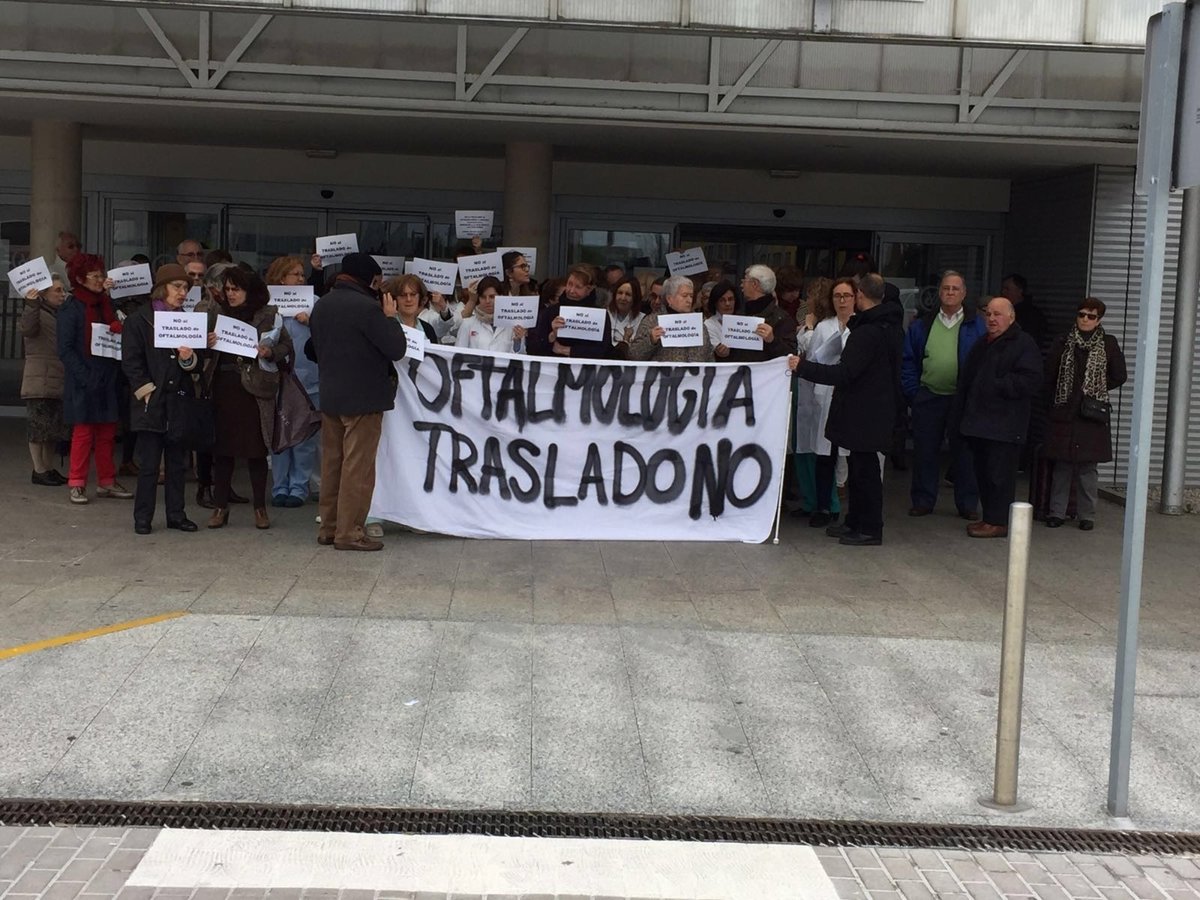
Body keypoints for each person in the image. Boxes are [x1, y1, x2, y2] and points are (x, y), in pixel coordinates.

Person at [790, 274, 903, 546]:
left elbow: (845, 373)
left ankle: (870, 527)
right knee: (858, 466)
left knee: (865, 472)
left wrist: (804, 367)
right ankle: (855, 520)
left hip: (864, 409)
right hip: (871, 406)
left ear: (860, 295)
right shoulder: (887, 325)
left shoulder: (868, 332)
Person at [307, 253, 408, 551]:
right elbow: (396, 348)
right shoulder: (368, 308)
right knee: (358, 468)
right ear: (370, 278)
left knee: (333, 464)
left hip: (331, 395)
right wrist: (390, 318)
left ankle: (329, 527)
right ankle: (350, 532)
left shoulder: (323, 304)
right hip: (364, 398)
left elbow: (313, 349)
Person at [197, 266, 293, 530]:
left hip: (255, 387)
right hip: (224, 385)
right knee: (223, 449)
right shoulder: (217, 313)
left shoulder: (268, 314)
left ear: (249, 291)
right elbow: (201, 348)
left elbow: (286, 345)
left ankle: (260, 508)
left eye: (236, 289)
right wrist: (207, 342)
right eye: (227, 289)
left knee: (255, 449)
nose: (230, 294)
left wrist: (269, 352)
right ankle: (220, 507)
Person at [120, 264, 203, 535]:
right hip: (151, 402)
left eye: (186, 288)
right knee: (149, 465)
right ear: (161, 288)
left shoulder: (187, 321)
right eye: (177, 287)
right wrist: (146, 391)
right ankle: (142, 517)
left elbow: (197, 364)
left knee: (177, 463)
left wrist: (188, 358)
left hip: (178, 401)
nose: (182, 293)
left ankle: (176, 515)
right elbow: (131, 361)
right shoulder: (139, 320)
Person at [901, 269, 987, 520]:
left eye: (955, 289)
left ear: (964, 293)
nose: (950, 293)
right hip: (928, 396)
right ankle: (923, 500)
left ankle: (967, 504)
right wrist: (913, 393)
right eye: (946, 288)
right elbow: (908, 361)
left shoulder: (977, 325)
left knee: (965, 454)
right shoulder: (922, 324)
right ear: (939, 292)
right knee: (925, 452)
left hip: (963, 400)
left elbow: (985, 361)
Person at [958, 298, 1043, 539]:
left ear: (1011, 317)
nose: (992, 319)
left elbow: (1032, 380)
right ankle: (989, 517)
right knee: (984, 473)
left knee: (999, 476)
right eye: (989, 314)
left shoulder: (1023, 344)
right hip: (979, 424)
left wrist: (996, 386)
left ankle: (998, 521)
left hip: (1005, 424)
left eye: (998, 314)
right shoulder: (983, 343)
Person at [1043, 298, 1127, 531]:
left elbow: (1120, 375)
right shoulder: (1063, 341)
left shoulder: (1108, 343)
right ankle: (1057, 512)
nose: (1085, 320)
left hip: (1091, 414)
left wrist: (1096, 388)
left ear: (1099, 320)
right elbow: (1049, 373)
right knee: (1062, 465)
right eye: (1082, 314)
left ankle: (1086, 515)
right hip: (1065, 410)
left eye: (1091, 316)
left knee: (1088, 468)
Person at [57, 254, 133, 505]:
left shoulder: (106, 304)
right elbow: (65, 349)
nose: (101, 280)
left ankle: (106, 480)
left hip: (107, 375)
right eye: (95, 276)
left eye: (102, 275)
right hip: (83, 378)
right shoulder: (71, 308)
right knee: (83, 433)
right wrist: (85, 376)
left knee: (107, 432)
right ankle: (77, 482)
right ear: (80, 279)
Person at [793, 276, 854, 527]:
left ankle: (840, 506)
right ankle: (822, 506)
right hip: (824, 392)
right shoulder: (824, 327)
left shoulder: (860, 326)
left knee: (846, 453)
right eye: (837, 296)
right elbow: (813, 359)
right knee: (823, 452)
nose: (842, 301)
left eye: (846, 296)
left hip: (850, 394)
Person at [266, 256, 321, 509]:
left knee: (303, 436)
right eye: (295, 274)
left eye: (302, 274)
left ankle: (299, 487)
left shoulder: (314, 303)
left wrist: (312, 323)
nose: (300, 279)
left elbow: (329, 334)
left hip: (308, 380)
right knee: (279, 433)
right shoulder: (269, 305)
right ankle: (279, 486)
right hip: (277, 379)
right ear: (281, 279)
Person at [20, 276, 69, 486]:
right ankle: (38, 469)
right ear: (43, 293)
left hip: (56, 377)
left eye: (63, 290)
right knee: (38, 427)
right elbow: (27, 329)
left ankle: (48, 468)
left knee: (53, 429)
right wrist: (31, 304)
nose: (62, 294)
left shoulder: (58, 314)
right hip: (40, 377)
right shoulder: (36, 312)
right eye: (57, 290)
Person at [526, 265, 613, 359]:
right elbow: (533, 349)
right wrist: (552, 335)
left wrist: (566, 350)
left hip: (587, 367)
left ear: (589, 289)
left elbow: (604, 350)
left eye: (578, 287)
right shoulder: (549, 312)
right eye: (569, 284)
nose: (571, 291)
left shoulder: (600, 316)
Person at [626, 275, 712, 362]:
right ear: (669, 299)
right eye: (684, 295)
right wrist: (651, 340)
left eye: (691, 296)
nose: (689, 300)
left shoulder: (698, 324)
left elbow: (710, 357)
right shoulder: (652, 322)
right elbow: (634, 355)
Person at [730, 264, 798, 362]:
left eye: (745, 280)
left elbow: (791, 356)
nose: (741, 285)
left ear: (754, 284)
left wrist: (772, 341)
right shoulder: (739, 314)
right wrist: (725, 353)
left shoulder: (782, 319)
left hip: (766, 371)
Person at [455, 276, 526, 353]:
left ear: (501, 296)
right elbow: (458, 354)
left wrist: (518, 343)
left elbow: (519, 357)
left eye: (492, 297)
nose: (487, 301)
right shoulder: (468, 324)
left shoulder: (513, 326)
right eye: (483, 297)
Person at [1000, 273, 1047, 348]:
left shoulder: (1032, 315)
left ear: (1020, 290)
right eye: (1003, 289)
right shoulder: (1002, 311)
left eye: (1007, 289)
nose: (1003, 292)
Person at [607, 275, 645, 350]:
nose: (623, 298)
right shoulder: (605, 315)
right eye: (620, 293)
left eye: (628, 294)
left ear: (635, 298)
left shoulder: (643, 320)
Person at [702, 279, 737, 357]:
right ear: (715, 303)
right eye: (722, 300)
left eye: (730, 299)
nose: (727, 303)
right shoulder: (708, 325)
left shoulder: (743, 322)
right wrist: (720, 352)